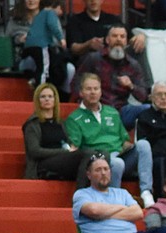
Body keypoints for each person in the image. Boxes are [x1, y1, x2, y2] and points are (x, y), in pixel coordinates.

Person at [66, 73, 155, 206]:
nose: (93, 92)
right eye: (88, 89)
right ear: (81, 92)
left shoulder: (112, 112)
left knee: (143, 144)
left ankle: (146, 192)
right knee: (116, 163)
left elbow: (125, 140)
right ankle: (113, 200)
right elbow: (76, 148)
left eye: (96, 89)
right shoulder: (74, 118)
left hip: (119, 155)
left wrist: (126, 147)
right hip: (99, 159)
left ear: (101, 91)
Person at [74, 23, 152, 130]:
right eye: (114, 36)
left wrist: (131, 85)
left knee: (148, 109)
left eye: (122, 36)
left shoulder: (133, 64)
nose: (118, 39)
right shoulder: (94, 59)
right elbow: (77, 83)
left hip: (122, 111)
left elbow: (143, 96)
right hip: (97, 108)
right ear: (107, 40)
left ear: (126, 41)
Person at [23, 82, 85, 181]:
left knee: (93, 158)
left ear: (55, 100)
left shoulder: (61, 123)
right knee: (85, 156)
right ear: (37, 100)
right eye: (43, 97)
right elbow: (35, 151)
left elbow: (69, 143)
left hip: (63, 160)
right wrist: (64, 151)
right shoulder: (32, 124)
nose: (47, 99)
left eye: (50, 96)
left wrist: (69, 150)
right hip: (43, 164)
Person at [134, 81, 166, 172]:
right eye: (159, 94)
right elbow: (142, 143)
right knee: (162, 162)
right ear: (152, 97)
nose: (163, 98)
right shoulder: (144, 116)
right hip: (155, 158)